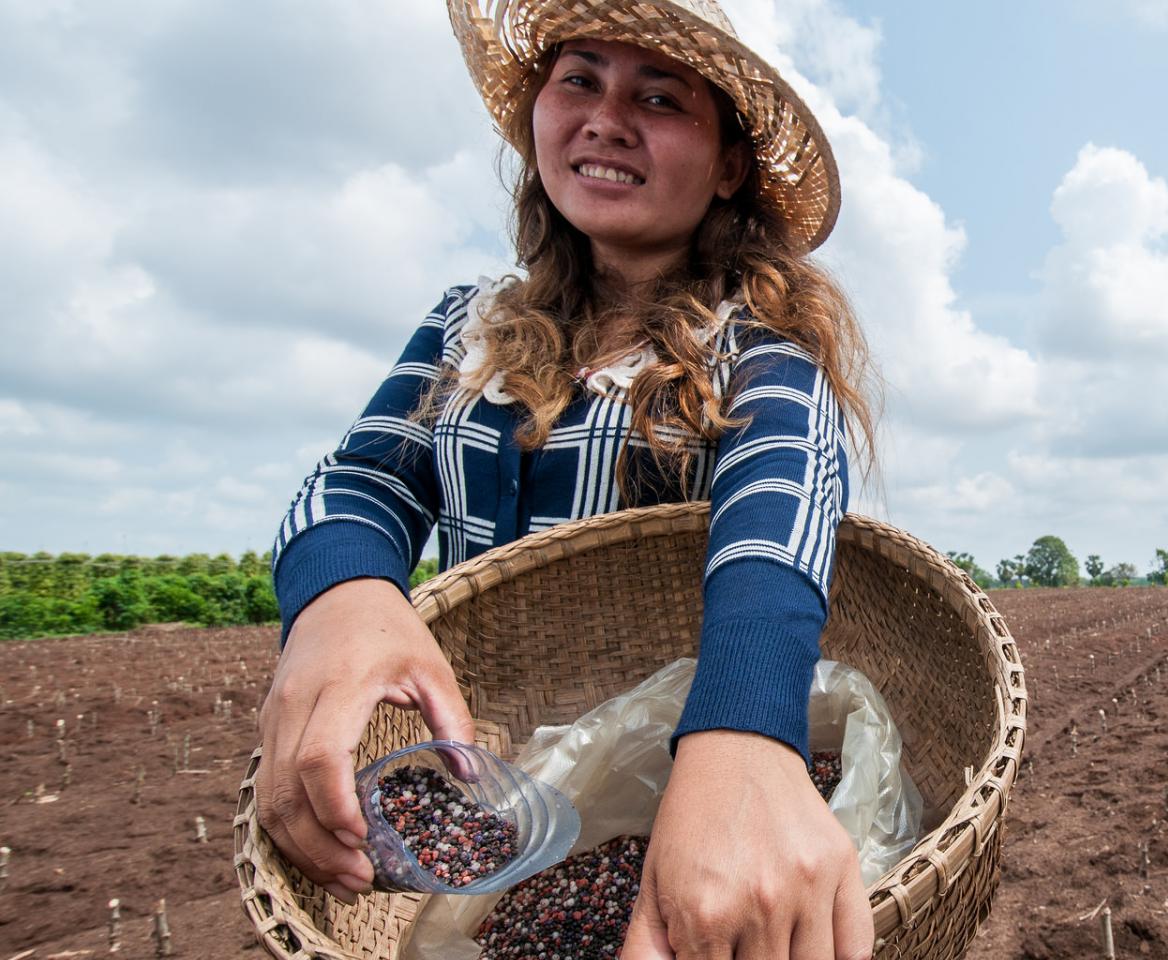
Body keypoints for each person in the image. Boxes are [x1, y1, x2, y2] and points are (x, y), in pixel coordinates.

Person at [256, 2, 880, 958]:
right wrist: (342, 594)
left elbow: (776, 521)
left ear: (728, 168)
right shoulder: (466, 328)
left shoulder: (755, 350)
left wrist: (744, 745)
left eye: (661, 98)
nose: (606, 117)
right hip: (490, 785)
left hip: (683, 777)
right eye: (578, 80)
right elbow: (362, 484)